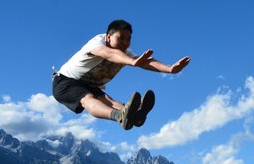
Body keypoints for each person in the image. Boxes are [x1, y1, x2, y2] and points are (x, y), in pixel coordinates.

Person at [52, 19, 190, 130]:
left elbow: (146, 62)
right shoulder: (97, 42)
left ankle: (135, 115)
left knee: (110, 101)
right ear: (108, 37)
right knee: (88, 99)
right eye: (121, 38)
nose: (125, 43)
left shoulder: (126, 53)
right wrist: (132, 61)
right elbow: (110, 54)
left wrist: (170, 69)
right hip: (65, 81)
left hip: (88, 84)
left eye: (128, 39)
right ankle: (120, 116)